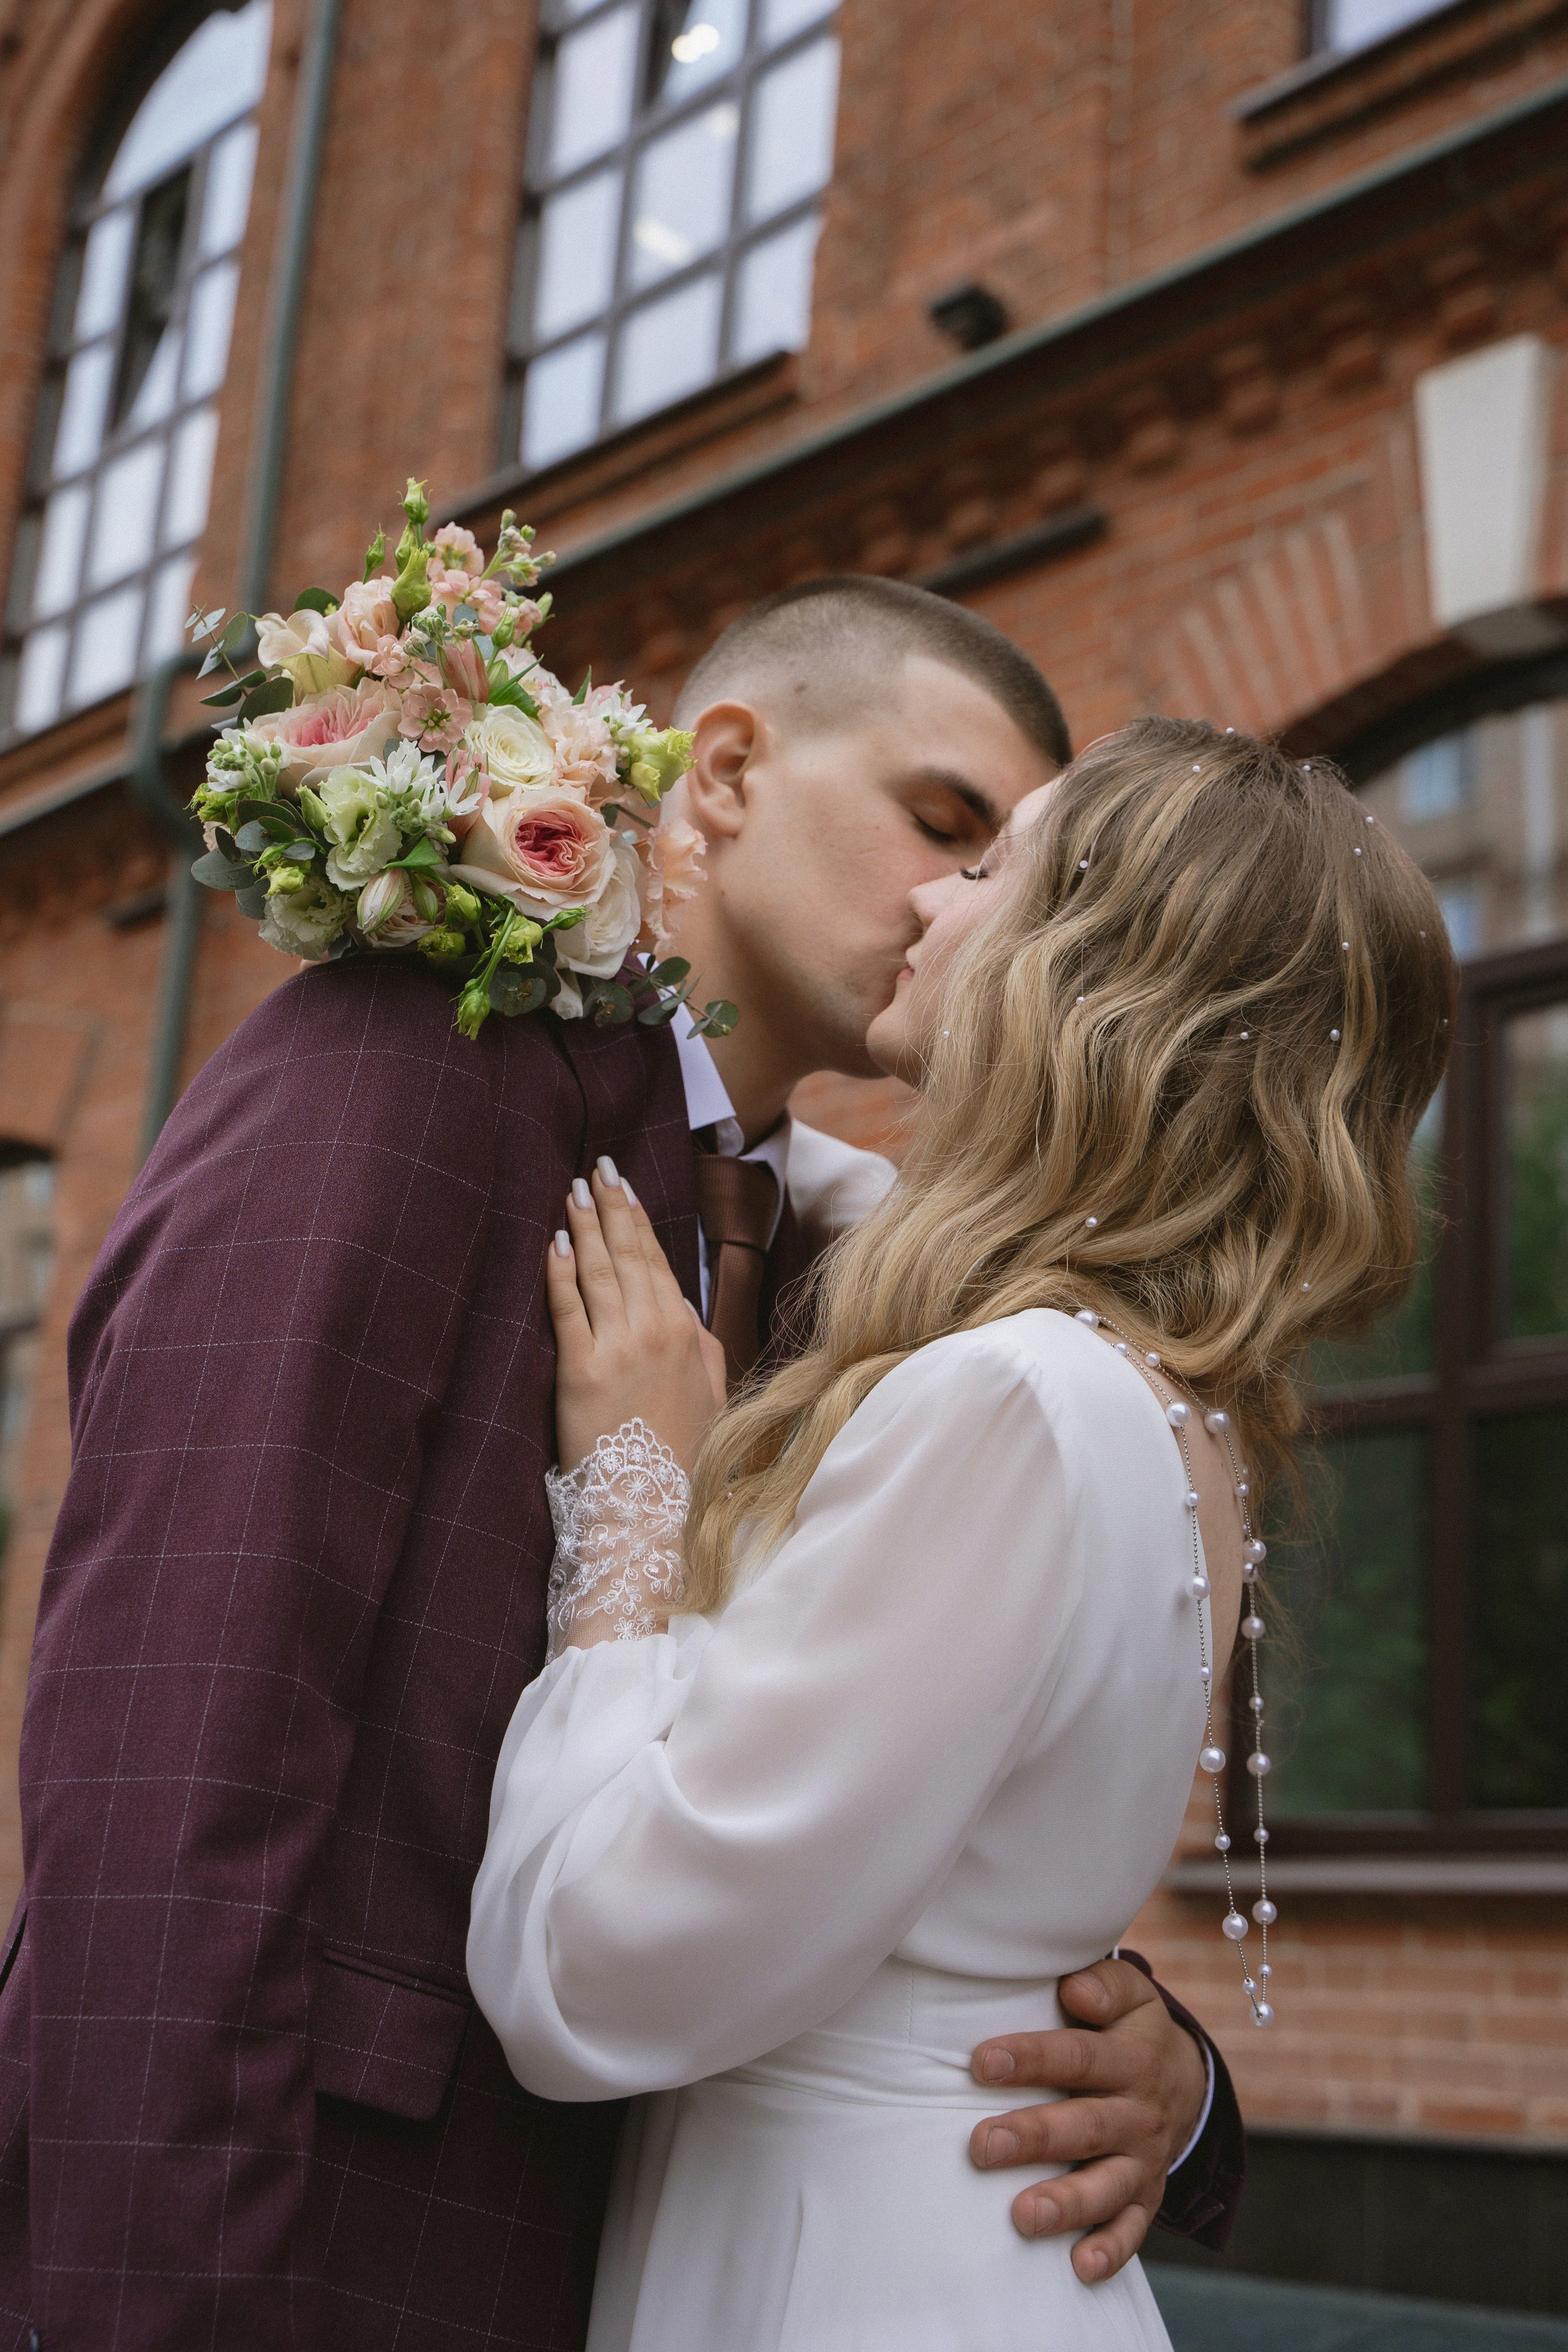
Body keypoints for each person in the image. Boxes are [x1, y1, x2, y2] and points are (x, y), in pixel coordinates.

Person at [0, 583, 1229, 2352]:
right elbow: (175, 1730)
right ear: (724, 771)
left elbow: (820, 1792)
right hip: (317, 2245)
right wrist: (155, 2302)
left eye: (1005, 872)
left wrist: (1164, 2080)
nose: (963, 906)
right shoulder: (415, 1065)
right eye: (944, 824)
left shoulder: (853, 1282)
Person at [467, 717, 1456, 2351]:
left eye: (990, 864)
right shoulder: (1159, 1400)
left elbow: (598, 1974)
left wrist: (636, 1497)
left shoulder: (1011, 1402)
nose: (932, 895)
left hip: (847, 2270)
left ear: (1092, 979)